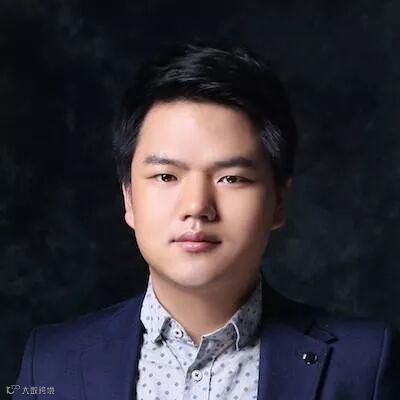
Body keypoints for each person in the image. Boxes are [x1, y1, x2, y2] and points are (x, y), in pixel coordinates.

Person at [13, 40, 397, 399]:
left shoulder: (364, 366)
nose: (197, 206)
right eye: (166, 176)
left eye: (231, 178)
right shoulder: (50, 363)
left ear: (279, 201)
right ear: (129, 198)